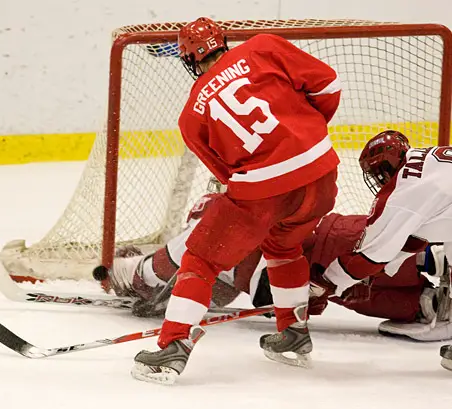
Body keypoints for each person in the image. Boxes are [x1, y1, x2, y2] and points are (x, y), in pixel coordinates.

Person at [131, 17, 341, 384]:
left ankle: (172, 346)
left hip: (264, 190)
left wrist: (265, 189)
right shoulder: (264, 47)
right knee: (284, 246)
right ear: (223, 41)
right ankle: (293, 333)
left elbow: (225, 174)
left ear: (188, 60)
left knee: (200, 258)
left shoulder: (191, 114)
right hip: (323, 173)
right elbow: (327, 83)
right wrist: (306, 134)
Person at [111, 191, 451, 342]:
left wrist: (126, 274)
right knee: (362, 266)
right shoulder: (232, 217)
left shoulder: (213, 231)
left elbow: (167, 268)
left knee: (360, 272)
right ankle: (432, 288)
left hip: (297, 269)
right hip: (307, 256)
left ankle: (431, 282)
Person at [310, 130, 452, 346]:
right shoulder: (424, 157)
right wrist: (370, 277)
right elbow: (415, 237)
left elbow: (371, 255)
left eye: (378, 172)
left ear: (387, 166)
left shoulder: (400, 194)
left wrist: (329, 283)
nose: (378, 180)